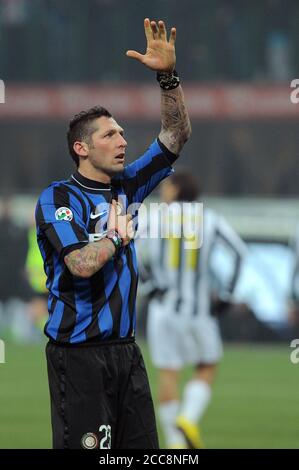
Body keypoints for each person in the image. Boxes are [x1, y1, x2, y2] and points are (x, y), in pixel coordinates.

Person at [35, 18, 191, 449]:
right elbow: (79, 264)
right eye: (110, 134)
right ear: (81, 148)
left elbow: (175, 134)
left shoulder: (128, 185)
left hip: (127, 352)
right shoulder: (57, 199)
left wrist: (167, 77)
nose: (123, 139)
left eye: (122, 132)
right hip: (78, 356)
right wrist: (117, 238)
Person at [137, 169, 246, 449]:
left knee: (168, 372)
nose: (162, 191)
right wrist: (226, 296)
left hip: (163, 309)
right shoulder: (209, 219)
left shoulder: (157, 217)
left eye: (166, 186)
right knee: (207, 365)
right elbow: (239, 252)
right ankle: (188, 418)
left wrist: (150, 287)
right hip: (199, 310)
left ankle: (175, 442)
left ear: (176, 190)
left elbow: (128, 249)